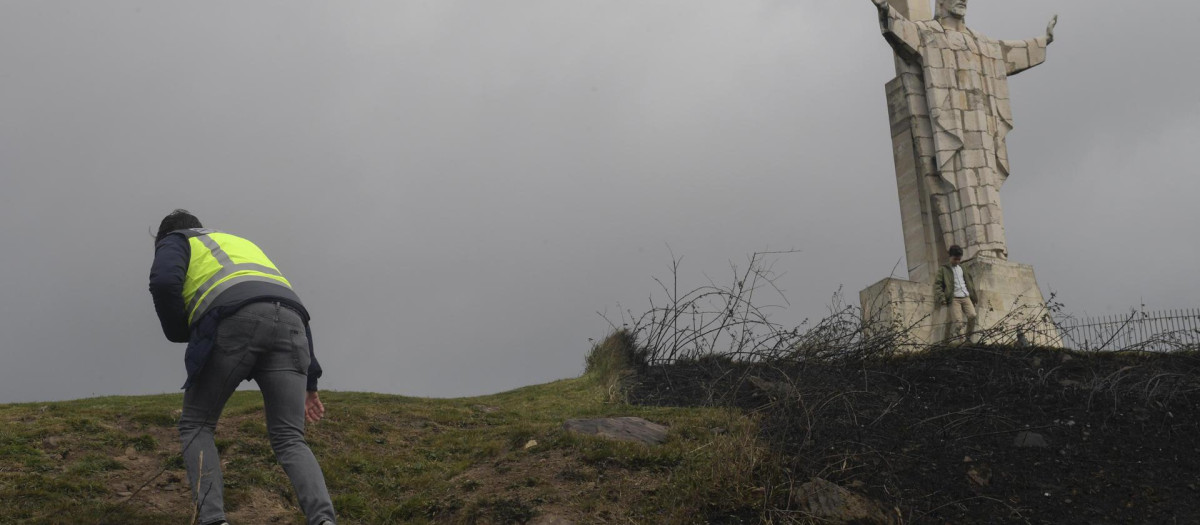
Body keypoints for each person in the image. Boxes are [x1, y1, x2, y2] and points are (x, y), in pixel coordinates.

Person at [149, 209, 336, 525]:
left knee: (196, 423)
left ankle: (213, 519)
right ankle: (324, 520)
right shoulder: (240, 242)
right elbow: (287, 302)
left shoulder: (178, 240)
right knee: (290, 438)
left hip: (236, 321)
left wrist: (179, 331)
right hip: (293, 327)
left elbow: (165, 282)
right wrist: (310, 380)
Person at [870, 0, 1057, 261]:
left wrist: (1042, 41)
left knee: (988, 189)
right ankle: (971, 251)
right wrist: (884, 9)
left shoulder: (981, 43)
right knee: (959, 185)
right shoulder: (929, 34)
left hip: (981, 130)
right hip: (951, 132)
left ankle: (995, 249)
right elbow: (903, 31)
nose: (962, 1)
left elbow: (1007, 53)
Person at [935, 245, 979, 343]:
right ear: (950, 257)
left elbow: (970, 283)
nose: (957, 261)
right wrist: (942, 298)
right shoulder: (943, 269)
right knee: (958, 323)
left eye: (959, 259)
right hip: (954, 298)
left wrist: (973, 297)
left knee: (972, 316)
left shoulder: (963, 268)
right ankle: (962, 342)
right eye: (955, 259)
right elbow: (938, 285)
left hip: (965, 296)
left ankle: (968, 338)